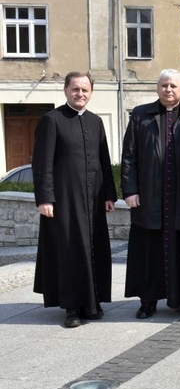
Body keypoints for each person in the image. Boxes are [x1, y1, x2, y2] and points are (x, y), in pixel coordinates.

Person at [32, 71, 117, 328]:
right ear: (66, 90)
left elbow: (104, 160)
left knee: (93, 249)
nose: (80, 94)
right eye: (75, 89)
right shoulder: (52, 120)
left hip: (93, 200)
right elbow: (42, 163)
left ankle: (92, 303)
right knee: (69, 251)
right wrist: (45, 198)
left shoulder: (95, 121)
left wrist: (110, 195)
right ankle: (71, 308)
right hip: (65, 200)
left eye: (85, 90)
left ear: (91, 93)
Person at [121, 69, 180, 319]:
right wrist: (130, 190)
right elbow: (129, 156)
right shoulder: (141, 115)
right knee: (148, 252)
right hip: (149, 197)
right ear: (157, 88)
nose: (169, 89)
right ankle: (148, 301)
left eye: (174, 86)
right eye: (164, 85)